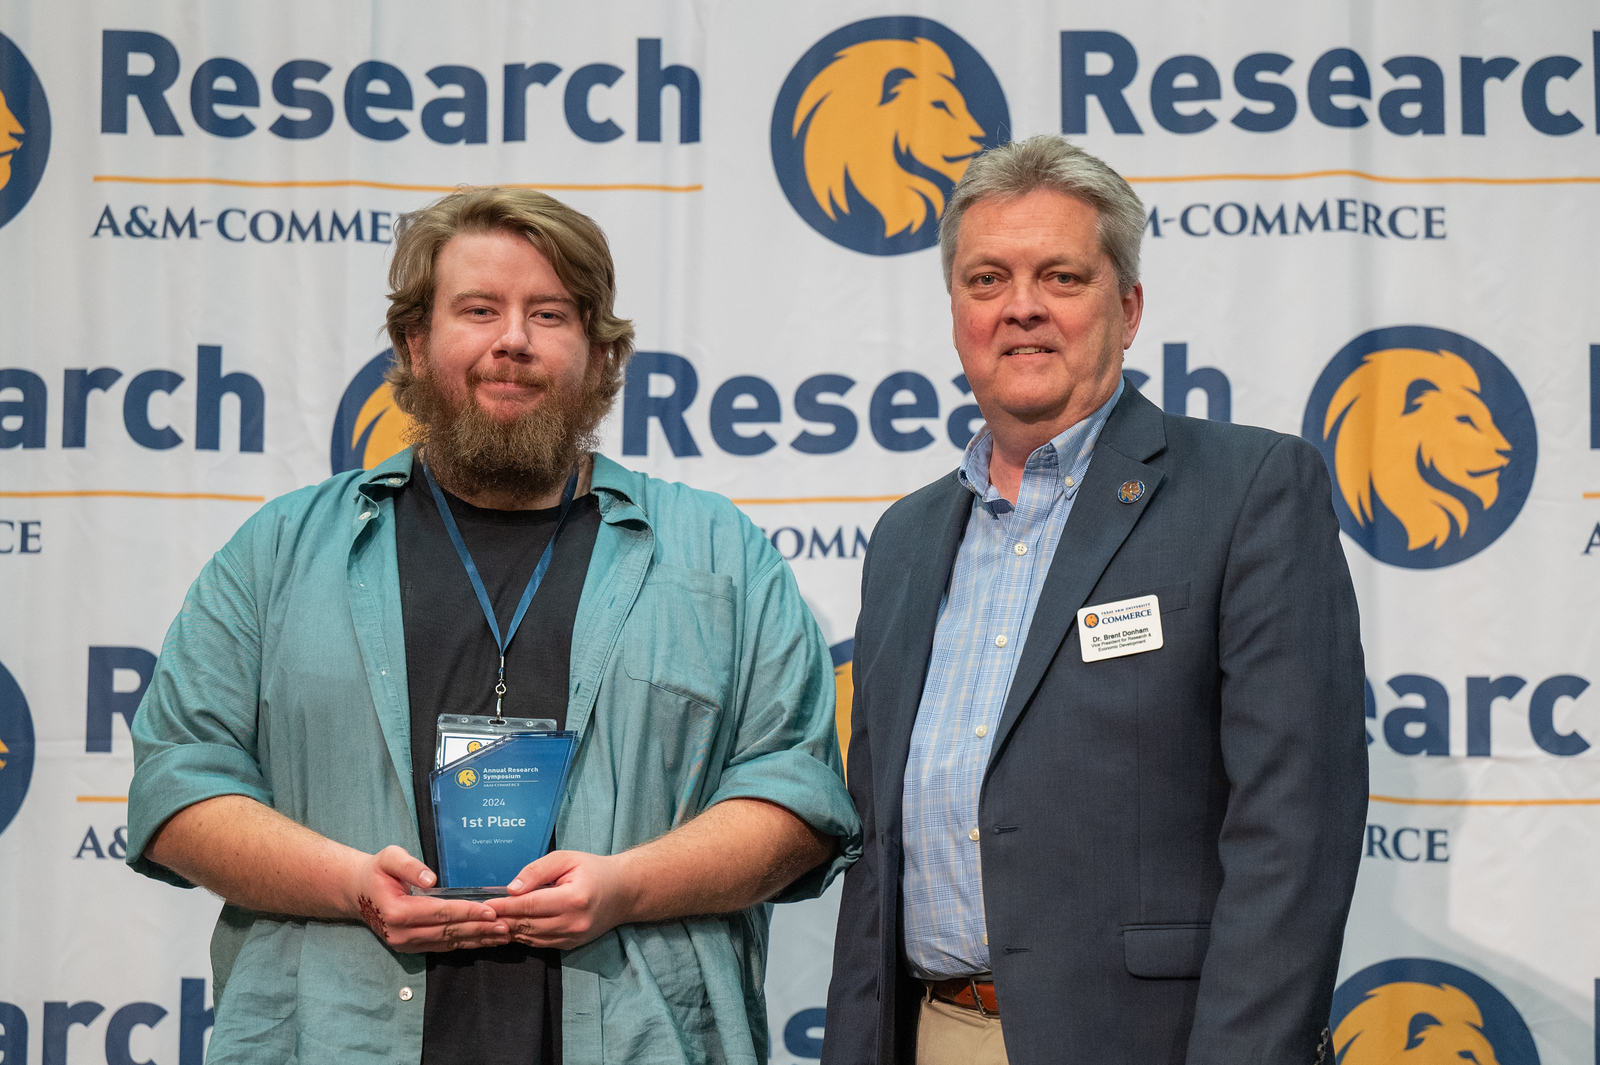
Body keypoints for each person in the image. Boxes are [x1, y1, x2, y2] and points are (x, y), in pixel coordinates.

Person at [126, 186, 860, 1065]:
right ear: (415, 341)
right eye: (479, 309)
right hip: (335, 1032)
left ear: (597, 353)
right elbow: (177, 786)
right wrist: (351, 883)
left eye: (548, 313)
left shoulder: (720, 557)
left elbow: (798, 794)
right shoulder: (279, 552)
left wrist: (626, 887)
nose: (513, 339)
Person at [822, 135, 1367, 1065]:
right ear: (955, 310)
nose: (1021, 307)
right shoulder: (907, 539)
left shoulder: (1250, 491)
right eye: (986, 278)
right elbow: (879, 856)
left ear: (1128, 307)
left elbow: (1295, 831)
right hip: (934, 1031)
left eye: (1061, 277)